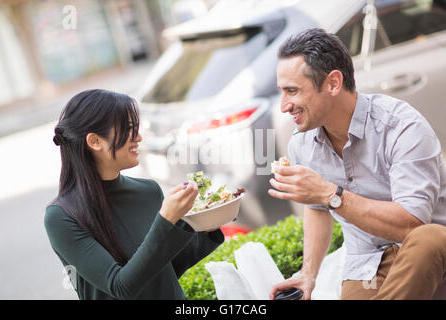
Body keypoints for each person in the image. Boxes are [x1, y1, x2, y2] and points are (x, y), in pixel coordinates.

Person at [268, 28, 446, 300]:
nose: (284, 106)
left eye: (292, 91)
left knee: (431, 237)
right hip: (366, 266)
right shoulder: (301, 142)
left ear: (333, 83)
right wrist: (308, 274)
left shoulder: (402, 126)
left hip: (429, 257)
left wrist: (331, 195)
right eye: (282, 92)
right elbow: (317, 209)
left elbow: (412, 225)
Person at [44, 89, 224, 300]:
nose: (138, 137)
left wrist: (207, 226)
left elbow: (164, 269)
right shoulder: (61, 217)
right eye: (128, 130)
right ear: (95, 142)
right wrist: (166, 220)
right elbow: (121, 287)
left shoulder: (148, 190)